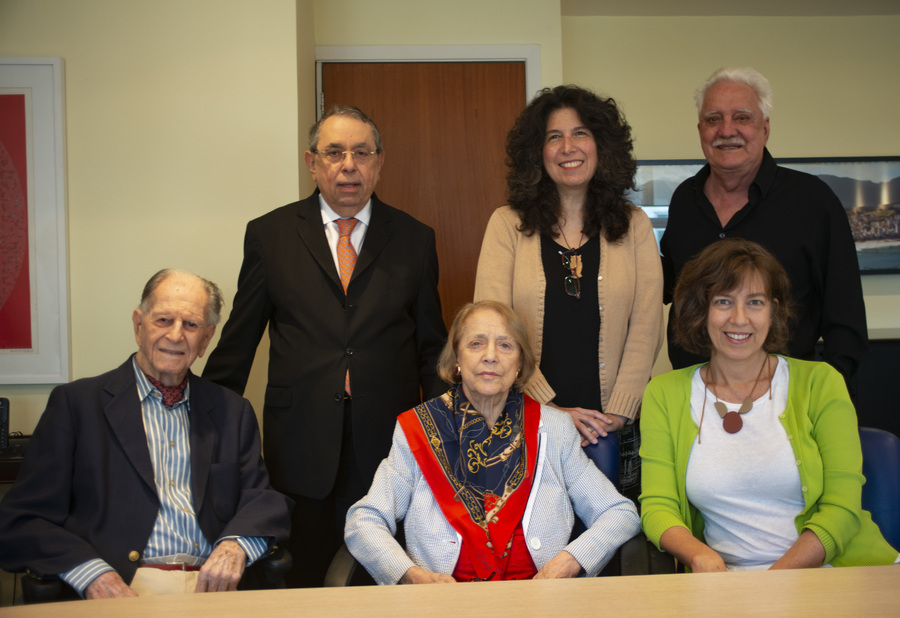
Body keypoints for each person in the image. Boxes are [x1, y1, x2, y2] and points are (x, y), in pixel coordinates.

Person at [202, 105, 448, 587]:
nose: (348, 165)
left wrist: (444, 440)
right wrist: (201, 421)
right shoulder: (270, 235)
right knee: (305, 574)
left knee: (379, 575)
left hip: (386, 442)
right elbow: (240, 339)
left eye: (362, 152)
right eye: (334, 153)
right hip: (299, 440)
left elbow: (431, 347)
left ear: (379, 163)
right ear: (312, 163)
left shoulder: (415, 239)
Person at [0, 269, 292, 599]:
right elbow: (23, 519)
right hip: (125, 585)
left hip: (214, 587)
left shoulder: (232, 410)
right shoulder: (77, 405)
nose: (176, 335)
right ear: (139, 325)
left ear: (207, 338)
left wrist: (236, 546)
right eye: (164, 320)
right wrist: (92, 574)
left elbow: (262, 498)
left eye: (191, 325)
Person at [640, 239, 897, 572]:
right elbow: (658, 506)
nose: (740, 318)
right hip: (727, 585)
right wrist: (700, 556)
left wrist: (773, 585)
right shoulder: (665, 393)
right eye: (723, 301)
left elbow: (842, 509)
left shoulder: (820, 383)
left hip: (835, 574)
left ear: (773, 309)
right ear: (700, 309)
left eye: (755, 302)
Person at [345, 300, 640, 583]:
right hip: (444, 602)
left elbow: (619, 513)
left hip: (538, 599)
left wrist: (568, 562)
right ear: (457, 358)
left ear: (520, 364)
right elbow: (364, 520)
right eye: (476, 343)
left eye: (505, 345)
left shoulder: (554, 429)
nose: (490, 355)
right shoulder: (417, 429)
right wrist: (412, 577)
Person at [474, 85, 663, 499]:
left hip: (610, 427)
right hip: (526, 419)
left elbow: (647, 325)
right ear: (536, 153)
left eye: (580, 133)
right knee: (532, 547)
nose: (567, 147)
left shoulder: (634, 227)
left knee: (611, 543)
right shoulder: (506, 224)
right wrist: (548, 410)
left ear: (601, 146)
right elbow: (492, 331)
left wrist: (618, 411)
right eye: (553, 137)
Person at [660, 67, 867, 391]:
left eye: (742, 117)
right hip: (695, 403)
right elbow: (666, 285)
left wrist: (825, 398)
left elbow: (846, 316)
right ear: (700, 129)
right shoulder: (684, 200)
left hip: (787, 405)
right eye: (714, 119)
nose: (726, 130)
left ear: (765, 127)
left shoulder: (812, 201)